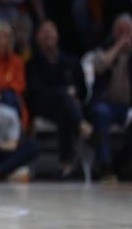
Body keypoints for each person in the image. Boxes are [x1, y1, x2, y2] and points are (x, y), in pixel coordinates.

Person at [89, 13, 132, 180]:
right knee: (99, 112)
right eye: (120, 30)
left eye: (128, 31)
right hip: (107, 106)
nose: (124, 35)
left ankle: (120, 162)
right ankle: (104, 165)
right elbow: (99, 67)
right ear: (113, 32)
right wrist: (117, 47)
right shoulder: (103, 49)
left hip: (131, 108)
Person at [26, 20, 91, 176]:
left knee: (65, 111)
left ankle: (65, 164)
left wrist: (73, 94)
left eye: (51, 31)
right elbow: (35, 90)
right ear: (37, 37)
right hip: (42, 106)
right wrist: (63, 94)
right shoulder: (32, 63)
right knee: (63, 96)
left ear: (57, 35)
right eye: (44, 31)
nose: (48, 34)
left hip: (65, 109)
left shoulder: (72, 61)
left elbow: (83, 91)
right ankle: (81, 124)